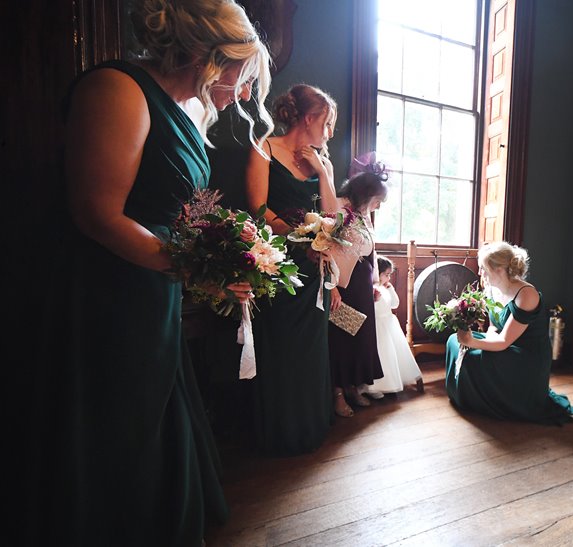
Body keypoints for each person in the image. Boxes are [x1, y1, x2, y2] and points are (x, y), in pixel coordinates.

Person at [22, 1, 275, 545]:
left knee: (150, 418)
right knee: (115, 423)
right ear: (209, 55)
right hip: (103, 294)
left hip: (153, 288)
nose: (243, 92)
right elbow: (97, 213)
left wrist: (226, 252)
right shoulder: (117, 89)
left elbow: (183, 215)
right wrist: (201, 268)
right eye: (241, 73)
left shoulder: (184, 111)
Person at [245, 83, 339, 455]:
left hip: (315, 267)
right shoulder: (265, 149)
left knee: (311, 349)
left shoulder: (323, 161)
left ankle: (311, 426)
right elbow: (256, 209)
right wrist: (298, 233)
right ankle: (281, 431)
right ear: (309, 118)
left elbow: (332, 218)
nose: (328, 132)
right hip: (278, 265)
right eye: (327, 123)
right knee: (282, 348)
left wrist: (322, 171)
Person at [445, 242, 573, 424]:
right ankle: (467, 397)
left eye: (484, 269)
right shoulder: (492, 289)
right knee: (454, 341)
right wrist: (479, 340)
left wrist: (473, 342)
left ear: (500, 270)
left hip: (526, 356)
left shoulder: (526, 295)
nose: (480, 274)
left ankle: (486, 401)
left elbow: (503, 341)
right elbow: (494, 327)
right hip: (504, 342)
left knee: (473, 354)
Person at [327, 166, 390, 416]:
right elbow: (329, 248)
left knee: (361, 337)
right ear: (365, 194)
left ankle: (354, 387)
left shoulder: (364, 213)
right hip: (344, 283)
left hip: (362, 281)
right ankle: (338, 393)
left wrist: (374, 283)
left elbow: (370, 249)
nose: (379, 206)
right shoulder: (339, 207)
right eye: (378, 200)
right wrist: (331, 286)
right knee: (342, 337)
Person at [368, 256, 424, 395]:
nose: (389, 278)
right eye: (386, 275)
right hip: (378, 326)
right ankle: (375, 387)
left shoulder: (385, 288)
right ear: (377, 274)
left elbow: (395, 303)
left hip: (389, 324)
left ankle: (391, 382)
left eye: (389, 275)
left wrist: (391, 289)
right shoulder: (373, 290)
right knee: (381, 355)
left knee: (392, 355)